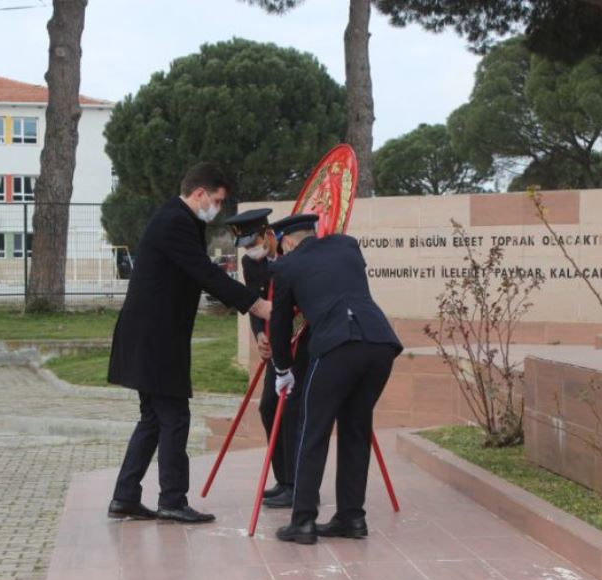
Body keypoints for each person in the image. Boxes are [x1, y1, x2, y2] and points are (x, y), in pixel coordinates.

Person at [107, 162, 271, 523]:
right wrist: (255, 303)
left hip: (150, 335)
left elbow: (197, 273)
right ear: (199, 193)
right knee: (173, 417)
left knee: (152, 418)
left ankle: (125, 496)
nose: (217, 208)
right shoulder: (176, 222)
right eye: (216, 200)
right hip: (155, 338)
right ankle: (172, 500)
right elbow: (205, 272)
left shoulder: (178, 219)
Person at [268, 214, 403, 544]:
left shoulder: (285, 268)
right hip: (380, 343)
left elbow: (281, 325)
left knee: (311, 430)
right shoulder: (347, 245)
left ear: (286, 241)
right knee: (356, 429)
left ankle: (302, 521)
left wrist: (282, 370)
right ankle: (351, 518)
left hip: (337, 347)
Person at [224, 209, 311, 508]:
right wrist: (261, 335)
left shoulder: (294, 255)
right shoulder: (252, 263)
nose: (252, 251)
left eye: (254, 243)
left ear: (270, 235)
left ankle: (299, 484)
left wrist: (282, 336)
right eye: (247, 247)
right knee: (268, 408)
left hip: (304, 344)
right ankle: (283, 480)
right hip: (277, 347)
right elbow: (254, 301)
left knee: (291, 412)